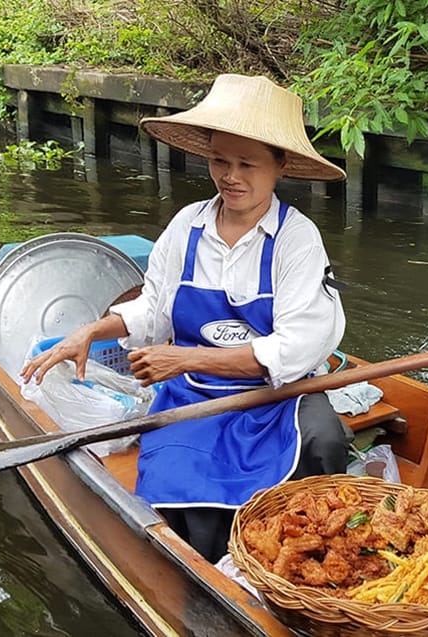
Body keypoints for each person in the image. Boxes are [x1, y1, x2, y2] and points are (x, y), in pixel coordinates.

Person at [21, 74, 352, 563]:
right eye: (220, 160)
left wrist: (184, 356)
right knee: (177, 477)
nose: (230, 176)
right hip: (194, 393)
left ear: (280, 166)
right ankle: (212, 574)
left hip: (277, 394)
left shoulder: (295, 240)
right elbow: (154, 309)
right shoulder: (188, 225)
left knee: (325, 438)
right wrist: (94, 329)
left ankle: (302, 556)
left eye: (247, 164)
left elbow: (296, 349)